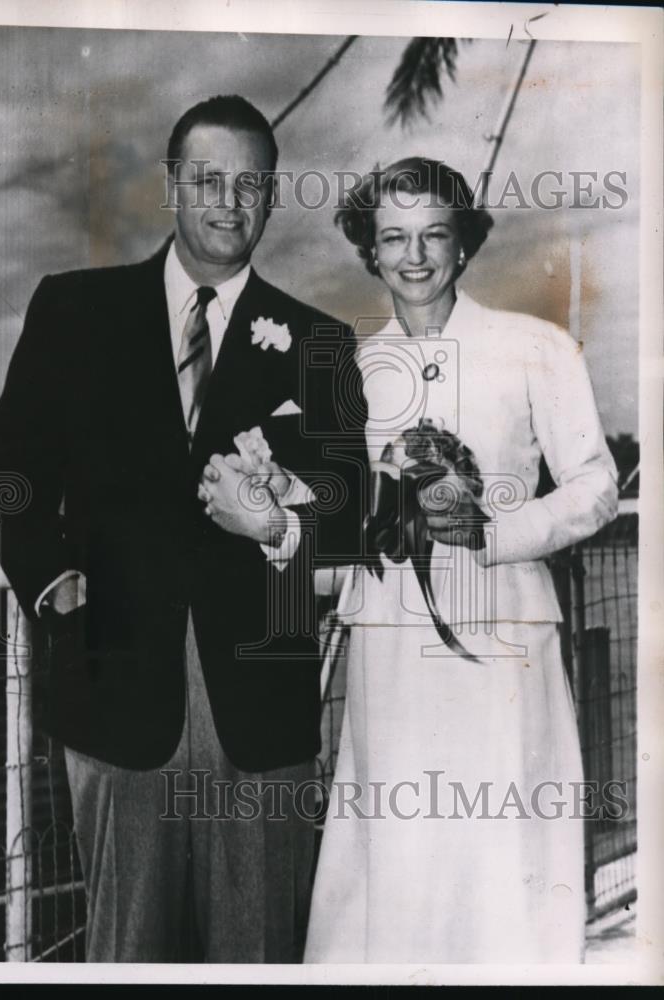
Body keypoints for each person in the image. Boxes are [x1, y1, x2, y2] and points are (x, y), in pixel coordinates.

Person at [0, 95, 365, 963]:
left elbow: (348, 513)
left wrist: (275, 521)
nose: (230, 201)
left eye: (250, 184)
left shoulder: (320, 342)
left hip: (260, 713)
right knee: (127, 958)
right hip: (114, 697)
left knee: (259, 960)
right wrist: (51, 581)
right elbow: (8, 477)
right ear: (171, 185)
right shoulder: (75, 310)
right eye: (208, 179)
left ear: (272, 196)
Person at [302, 157, 619, 964]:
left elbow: (595, 488)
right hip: (389, 646)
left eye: (433, 235)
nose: (414, 257)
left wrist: (494, 533)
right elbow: (339, 521)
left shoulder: (536, 348)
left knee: (505, 844)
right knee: (399, 846)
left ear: (464, 244)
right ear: (371, 251)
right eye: (393, 238)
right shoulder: (349, 368)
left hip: (505, 636)